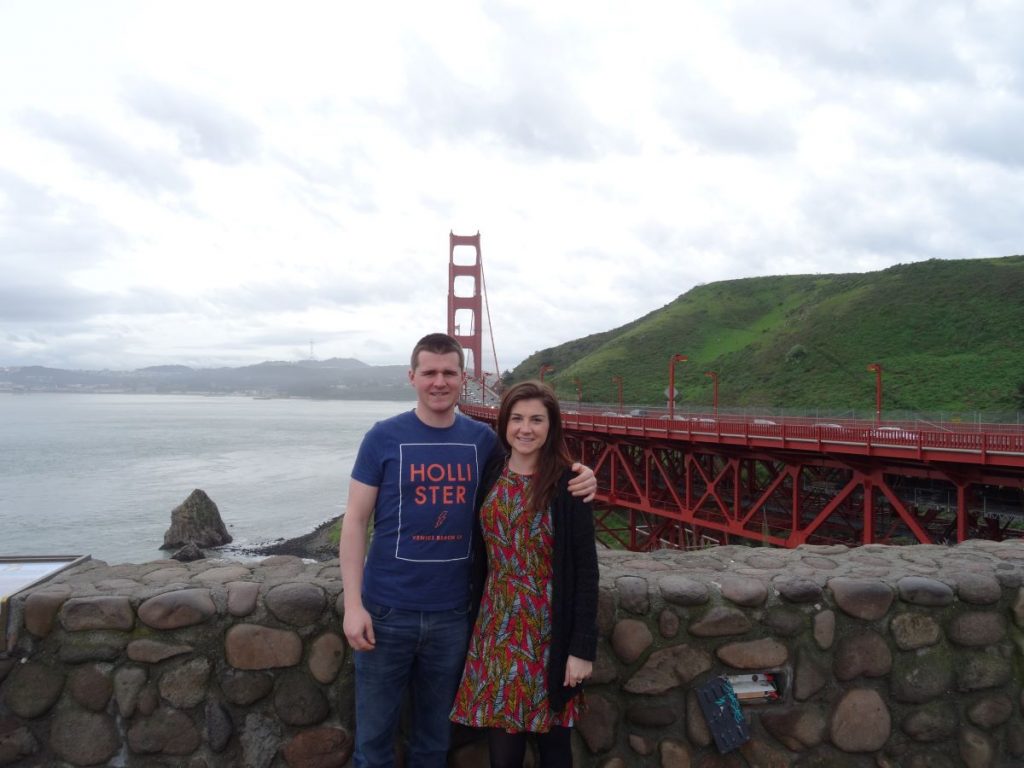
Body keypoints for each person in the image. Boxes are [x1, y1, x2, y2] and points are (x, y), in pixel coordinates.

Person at [340, 334, 596, 768]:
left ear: (463, 379)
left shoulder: (483, 443)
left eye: (449, 373)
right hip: (386, 612)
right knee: (373, 745)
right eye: (429, 372)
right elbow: (354, 521)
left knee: (433, 743)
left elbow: (533, 462)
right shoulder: (382, 437)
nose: (439, 382)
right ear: (412, 377)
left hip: (455, 617)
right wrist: (353, 605)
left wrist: (583, 475)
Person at [450, 380, 599, 768]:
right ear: (503, 424)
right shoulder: (490, 473)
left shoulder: (570, 484)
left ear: (552, 426)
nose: (525, 428)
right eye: (516, 418)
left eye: (536, 419)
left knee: (555, 751)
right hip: (495, 629)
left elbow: (586, 570)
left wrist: (582, 648)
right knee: (503, 753)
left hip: (551, 632)